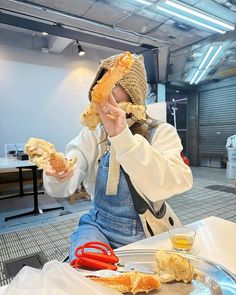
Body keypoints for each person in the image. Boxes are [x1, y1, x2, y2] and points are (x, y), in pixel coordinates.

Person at [43, 53, 193, 261]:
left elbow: (177, 181)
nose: (103, 95)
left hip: (141, 229)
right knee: (86, 271)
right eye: (99, 86)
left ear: (133, 93)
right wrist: (59, 174)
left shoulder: (161, 132)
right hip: (96, 225)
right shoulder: (94, 133)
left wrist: (122, 138)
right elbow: (68, 179)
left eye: (112, 84)